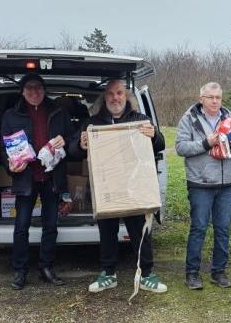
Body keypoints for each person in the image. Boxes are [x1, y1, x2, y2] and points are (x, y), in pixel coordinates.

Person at [69, 79, 167, 294]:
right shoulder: (92, 123)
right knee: (107, 231)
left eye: (120, 93)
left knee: (140, 230)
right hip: (107, 188)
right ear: (105, 97)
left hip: (134, 185)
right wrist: (80, 144)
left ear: (126, 97)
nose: (115, 98)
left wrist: (154, 135)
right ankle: (108, 273)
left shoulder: (140, 119)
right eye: (111, 94)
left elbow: (160, 144)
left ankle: (147, 274)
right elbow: (73, 152)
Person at [1, 73, 73, 290]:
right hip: (25, 178)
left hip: (51, 177)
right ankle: (20, 271)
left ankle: (46, 267)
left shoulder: (58, 112)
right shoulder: (11, 115)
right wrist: (9, 164)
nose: (34, 92)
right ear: (22, 92)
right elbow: (2, 147)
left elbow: (72, 140)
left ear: (44, 90)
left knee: (50, 226)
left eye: (39, 88)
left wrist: (65, 141)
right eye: (29, 88)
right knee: (21, 225)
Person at [176, 82, 231, 290]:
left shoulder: (229, 118)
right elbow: (180, 147)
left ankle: (219, 272)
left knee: (223, 229)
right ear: (201, 99)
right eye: (210, 97)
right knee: (199, 228)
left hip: (227, 183)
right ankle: (192, 273)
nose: (215, 101)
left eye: (218, 98)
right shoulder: (189, 118)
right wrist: (206, 143)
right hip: (201, 183)